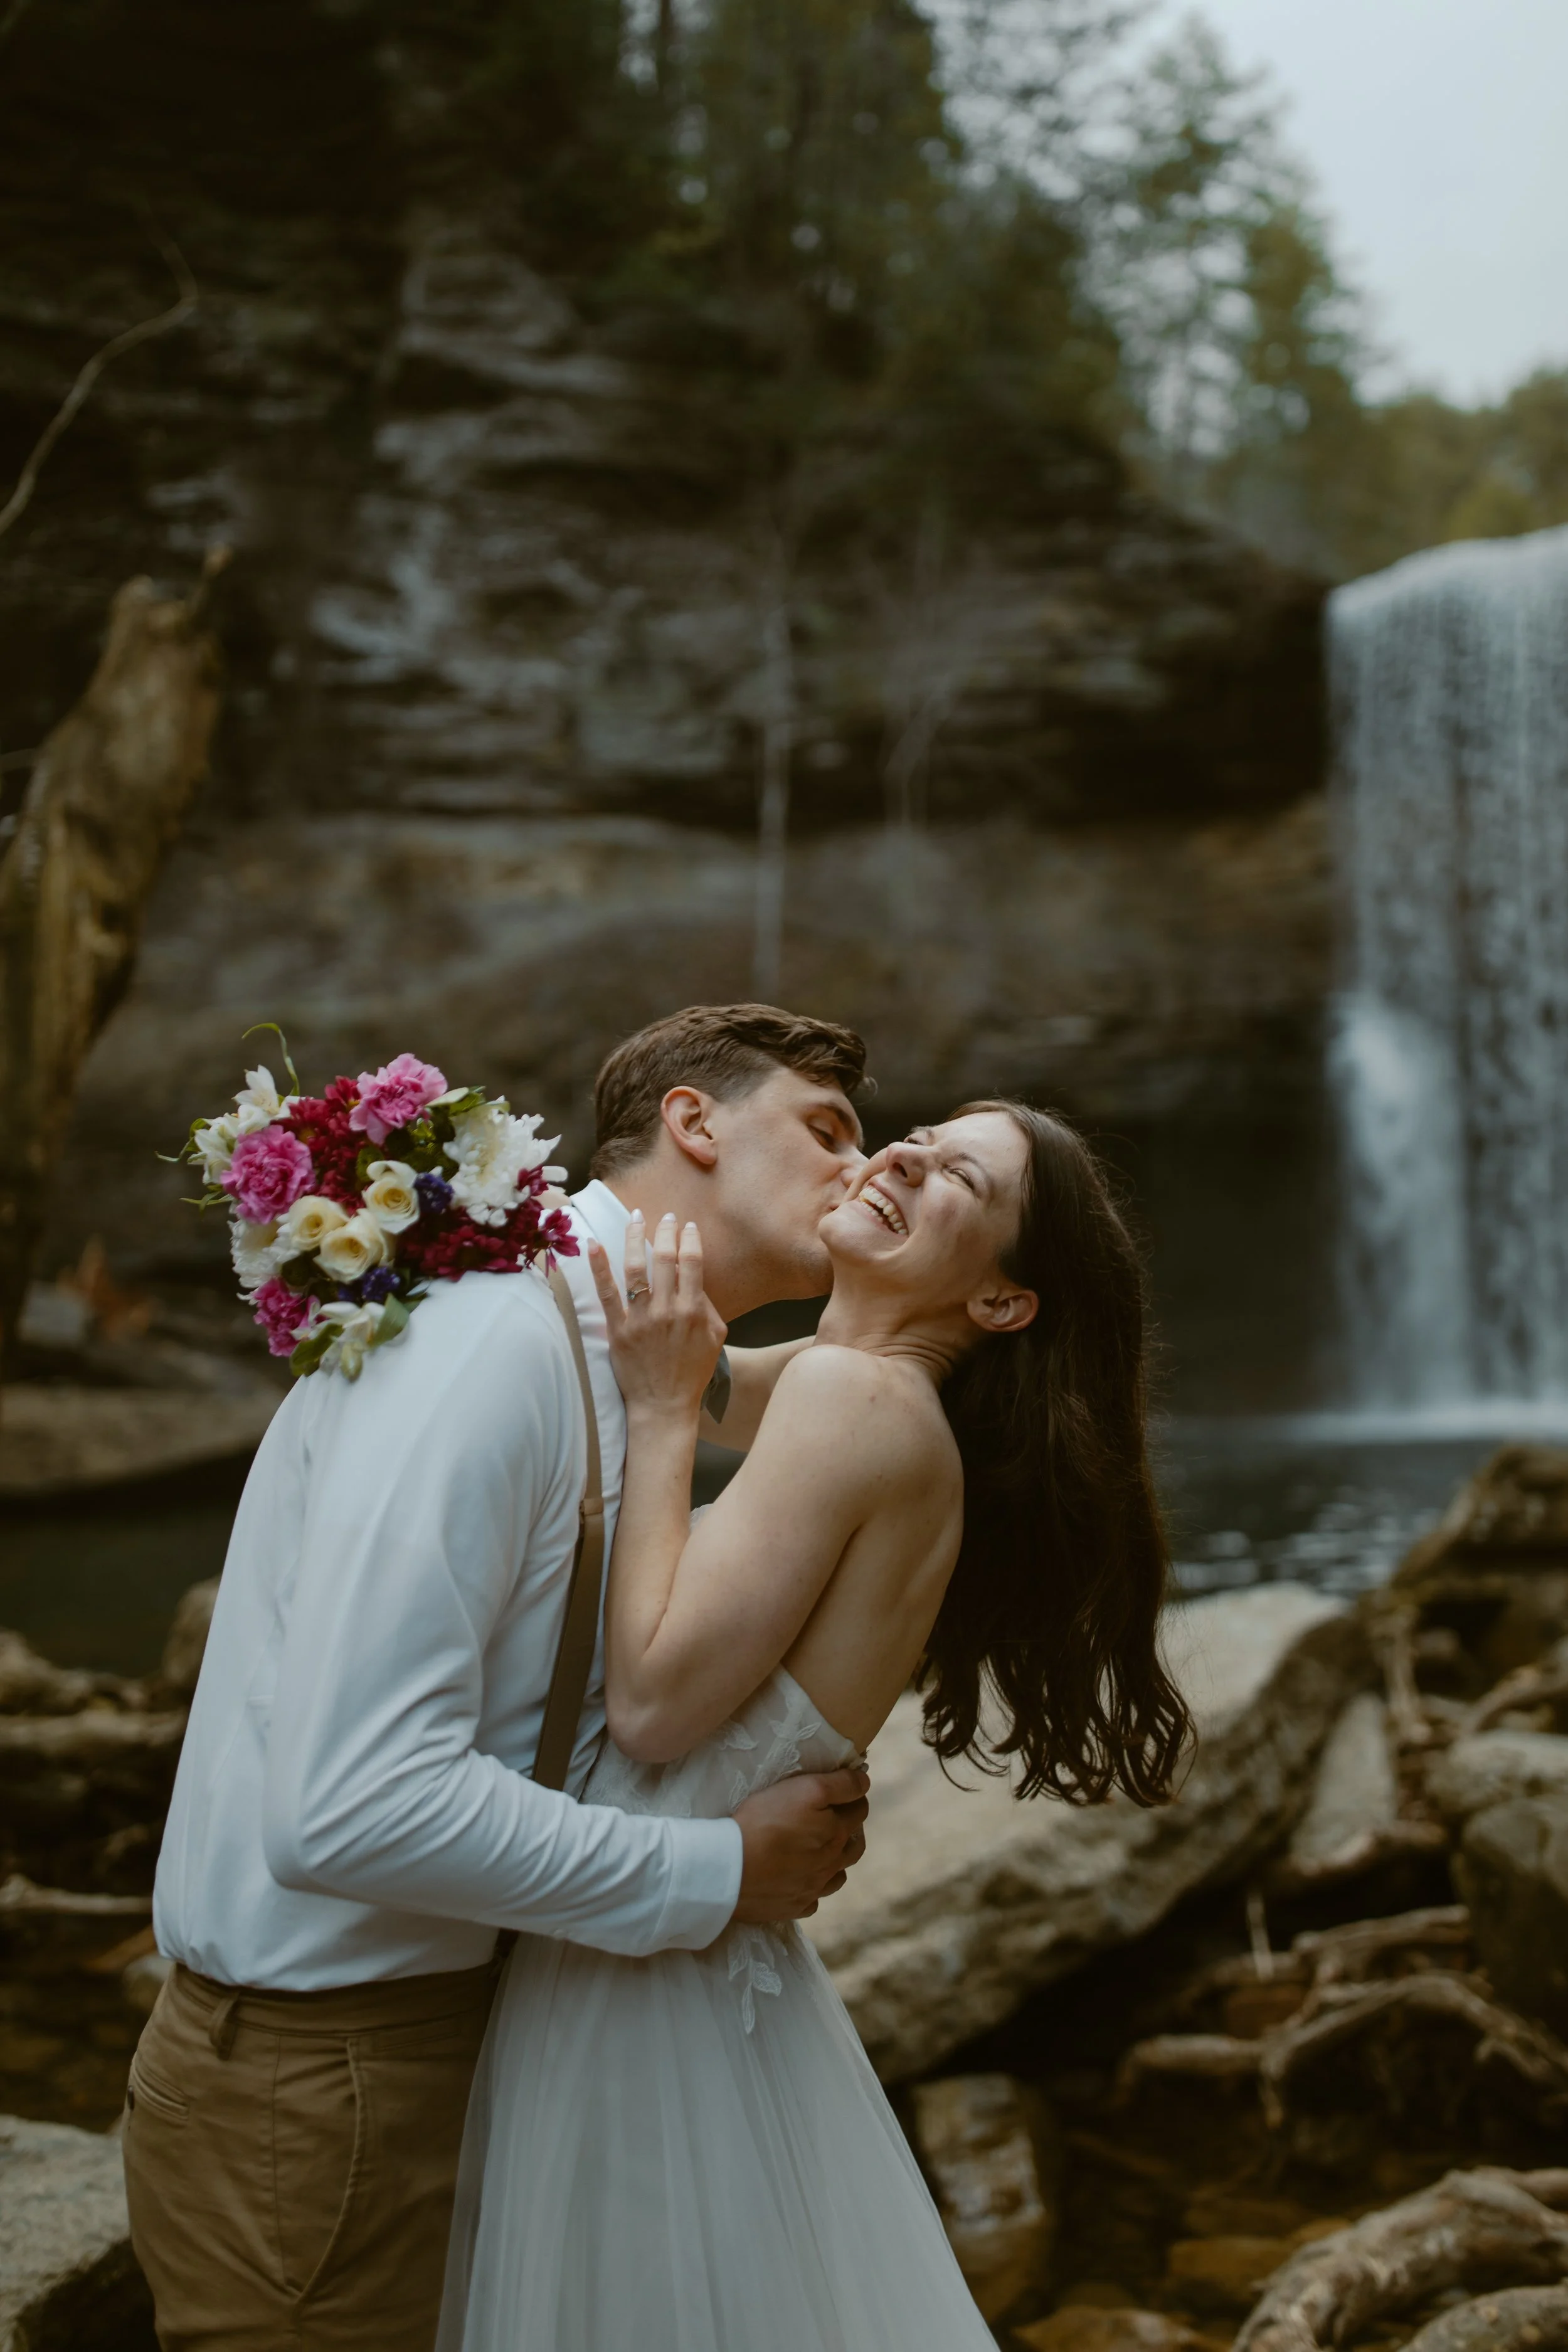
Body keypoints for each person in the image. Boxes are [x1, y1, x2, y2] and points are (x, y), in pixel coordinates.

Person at [122, 1004, 876, 2352]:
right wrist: (715, 1873)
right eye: (825, 1129)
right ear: (693, 1124)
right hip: (327, 2088)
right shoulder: (489, 1352)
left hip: (439, 2049)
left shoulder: (621, 1359)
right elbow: (350, 1806)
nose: (858, 1172)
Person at [438, 1099, 1192, 2352]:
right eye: (920, 1135)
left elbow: (656, 1701)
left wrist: (670, 1419)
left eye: (959, 1176)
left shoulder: (854, 1398)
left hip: (649, 1988)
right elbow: (675, 1355)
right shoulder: (860, 1389)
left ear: (1002, 1302)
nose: (899, 1154)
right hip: (693, 1957)